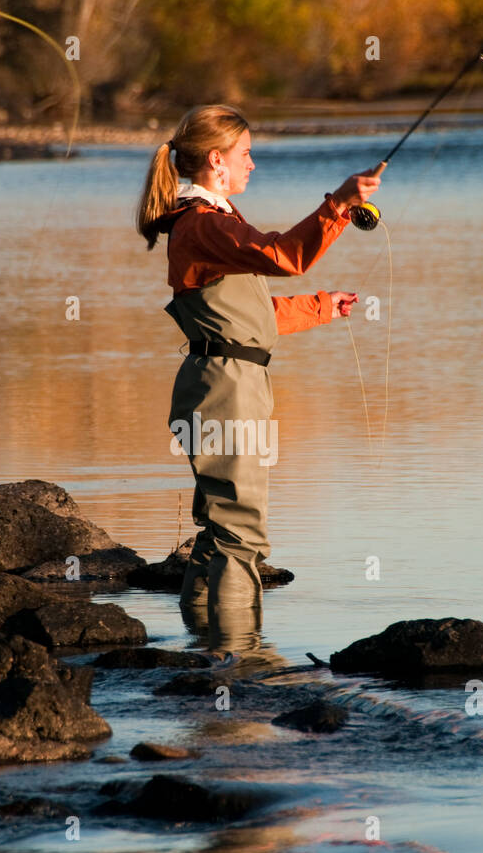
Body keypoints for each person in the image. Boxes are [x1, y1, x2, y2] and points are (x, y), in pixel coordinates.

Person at [136, 103, 384, 653]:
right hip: (226, 392)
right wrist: (339, 205)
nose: (254, 164)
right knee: (241, 531)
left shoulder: (206, 223)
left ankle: (205, 651)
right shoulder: (204, 224)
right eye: (246, 154)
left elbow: (248, 318)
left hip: (219, 383)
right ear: (217, 161)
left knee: (221, 527)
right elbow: (286, 255)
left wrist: (323, 307)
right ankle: (238, 664)